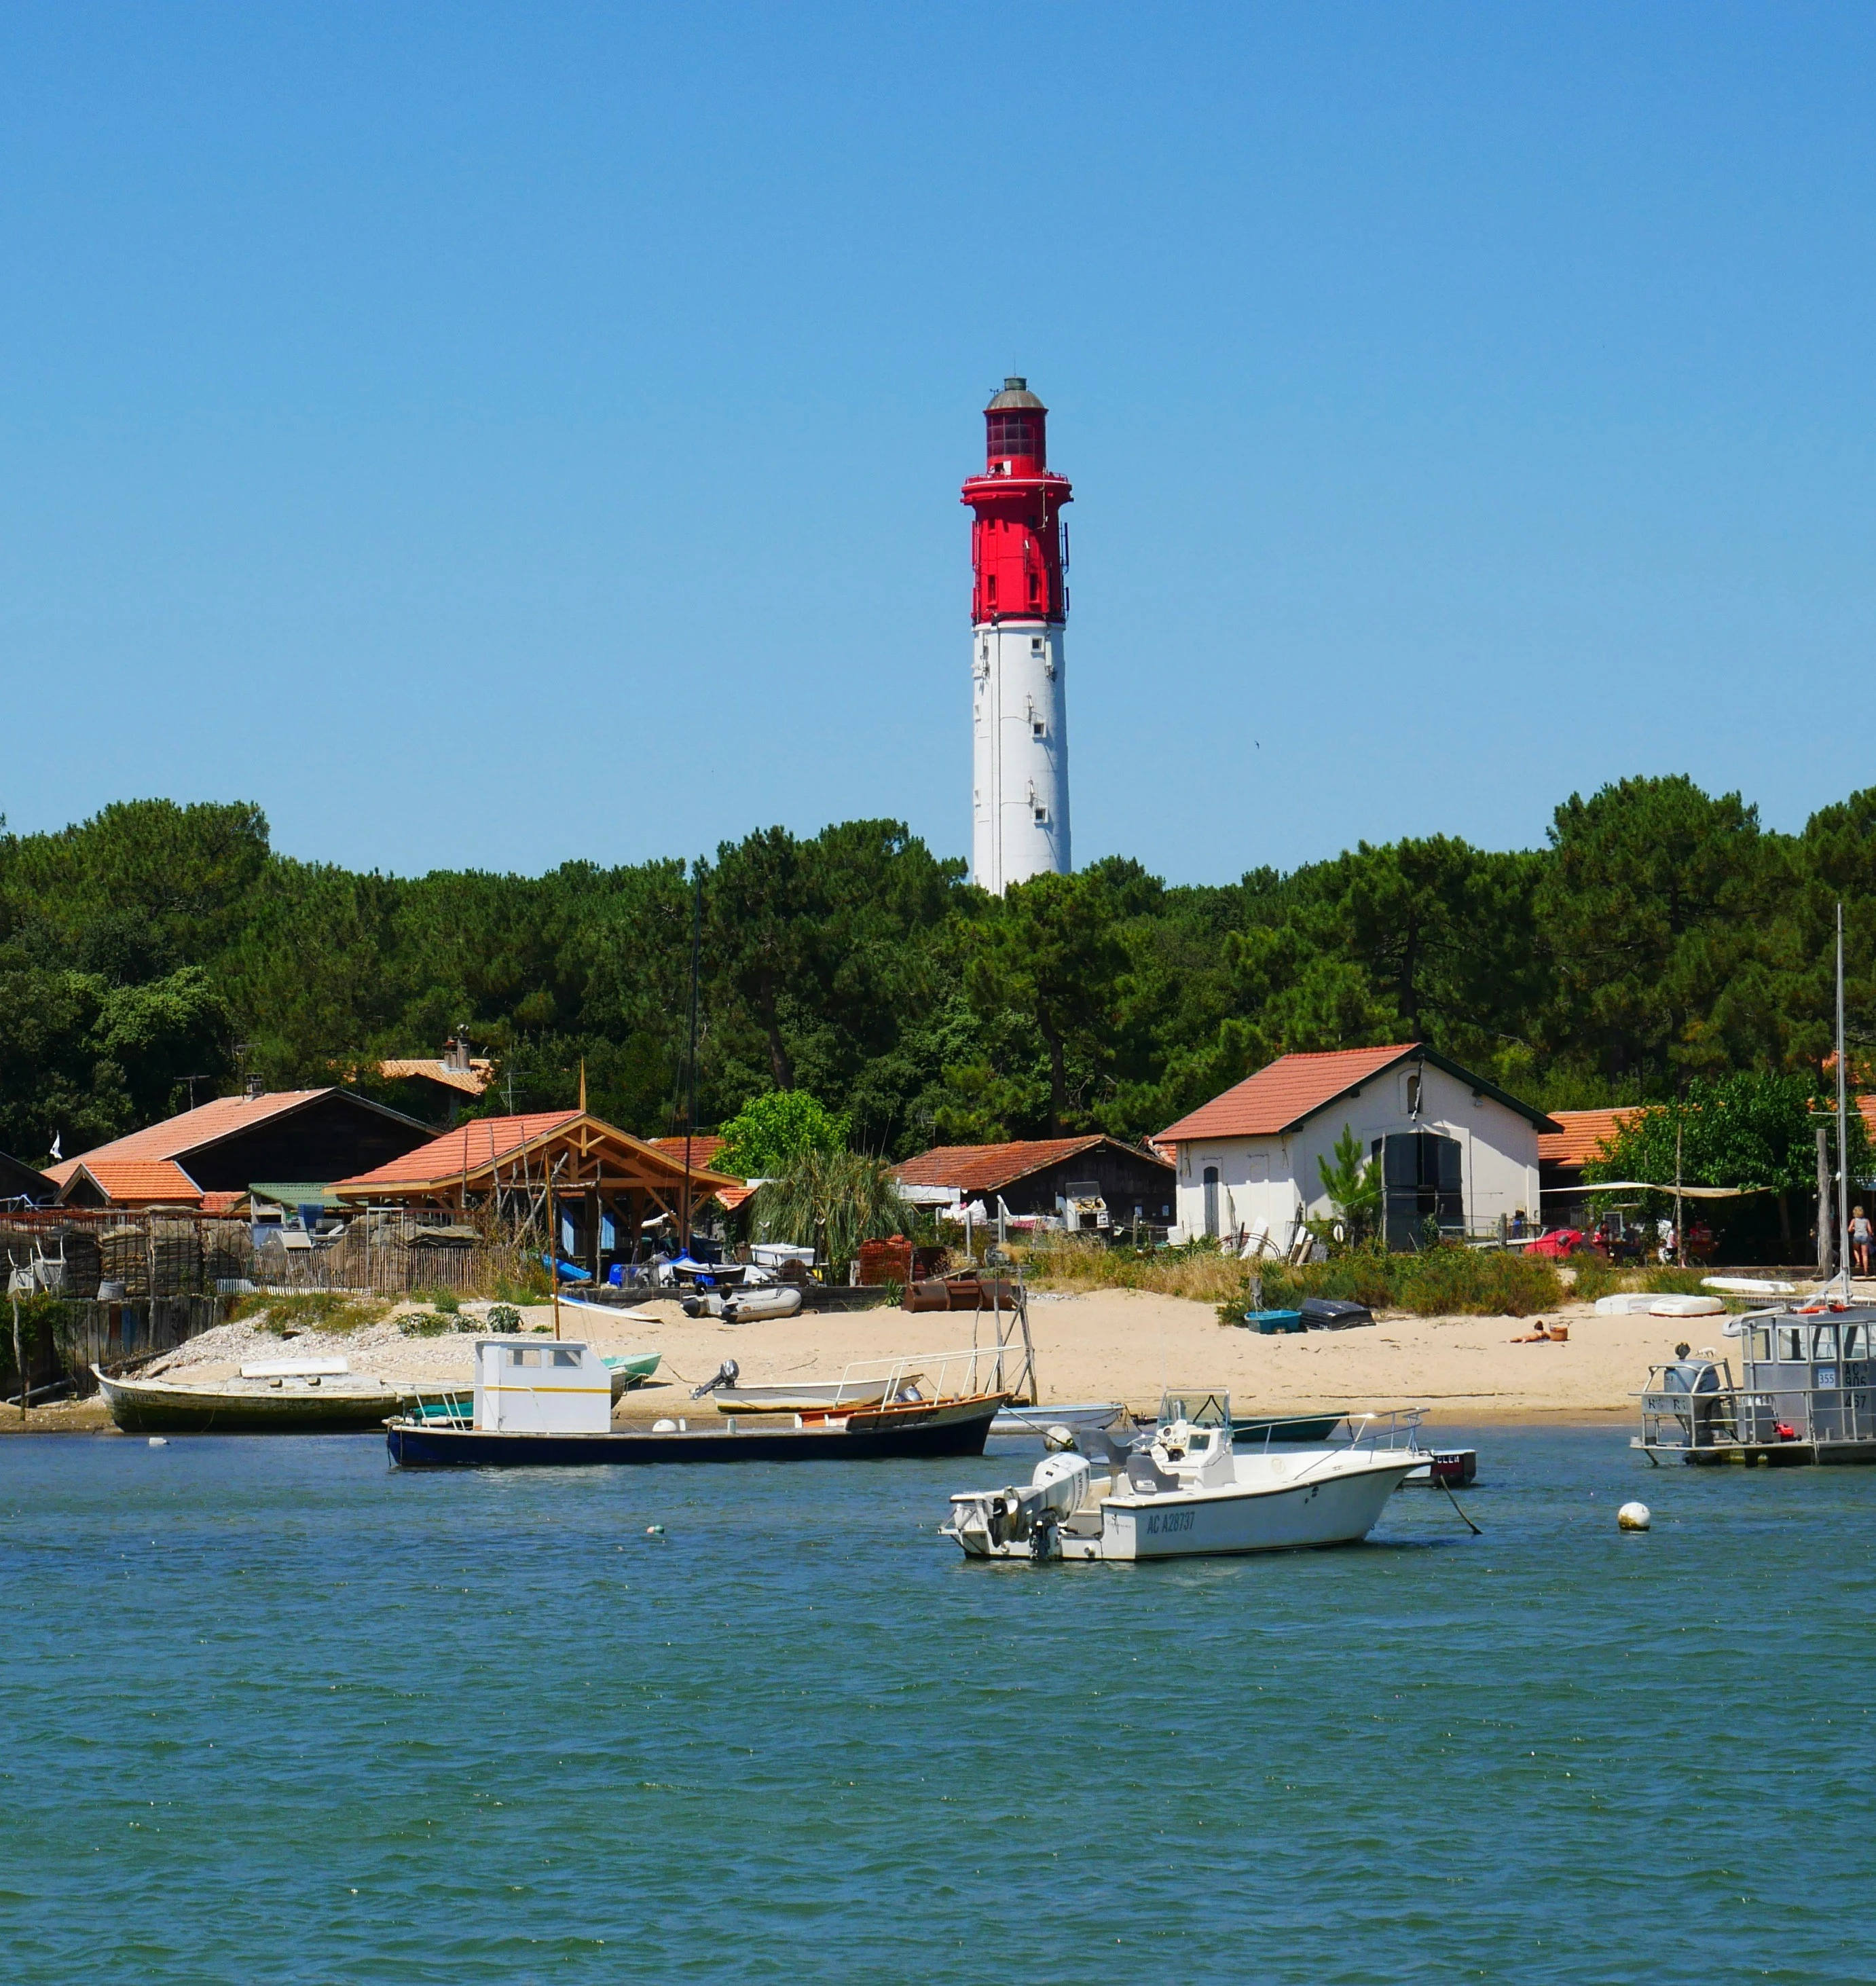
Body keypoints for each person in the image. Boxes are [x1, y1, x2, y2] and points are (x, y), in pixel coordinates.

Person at [1853, 1205, 1873, 1277]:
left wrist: (1853, 1228)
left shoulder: (1854, 1220)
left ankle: (1858, 1261)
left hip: (1857, 1236)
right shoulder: (1866, 1220)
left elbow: (1849, 1229)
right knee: (1865, 1255)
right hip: (1865, 1237)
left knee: (1856, 1249)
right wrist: (1872, 1235)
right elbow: (1870, 1230)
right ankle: (1866, 1271)